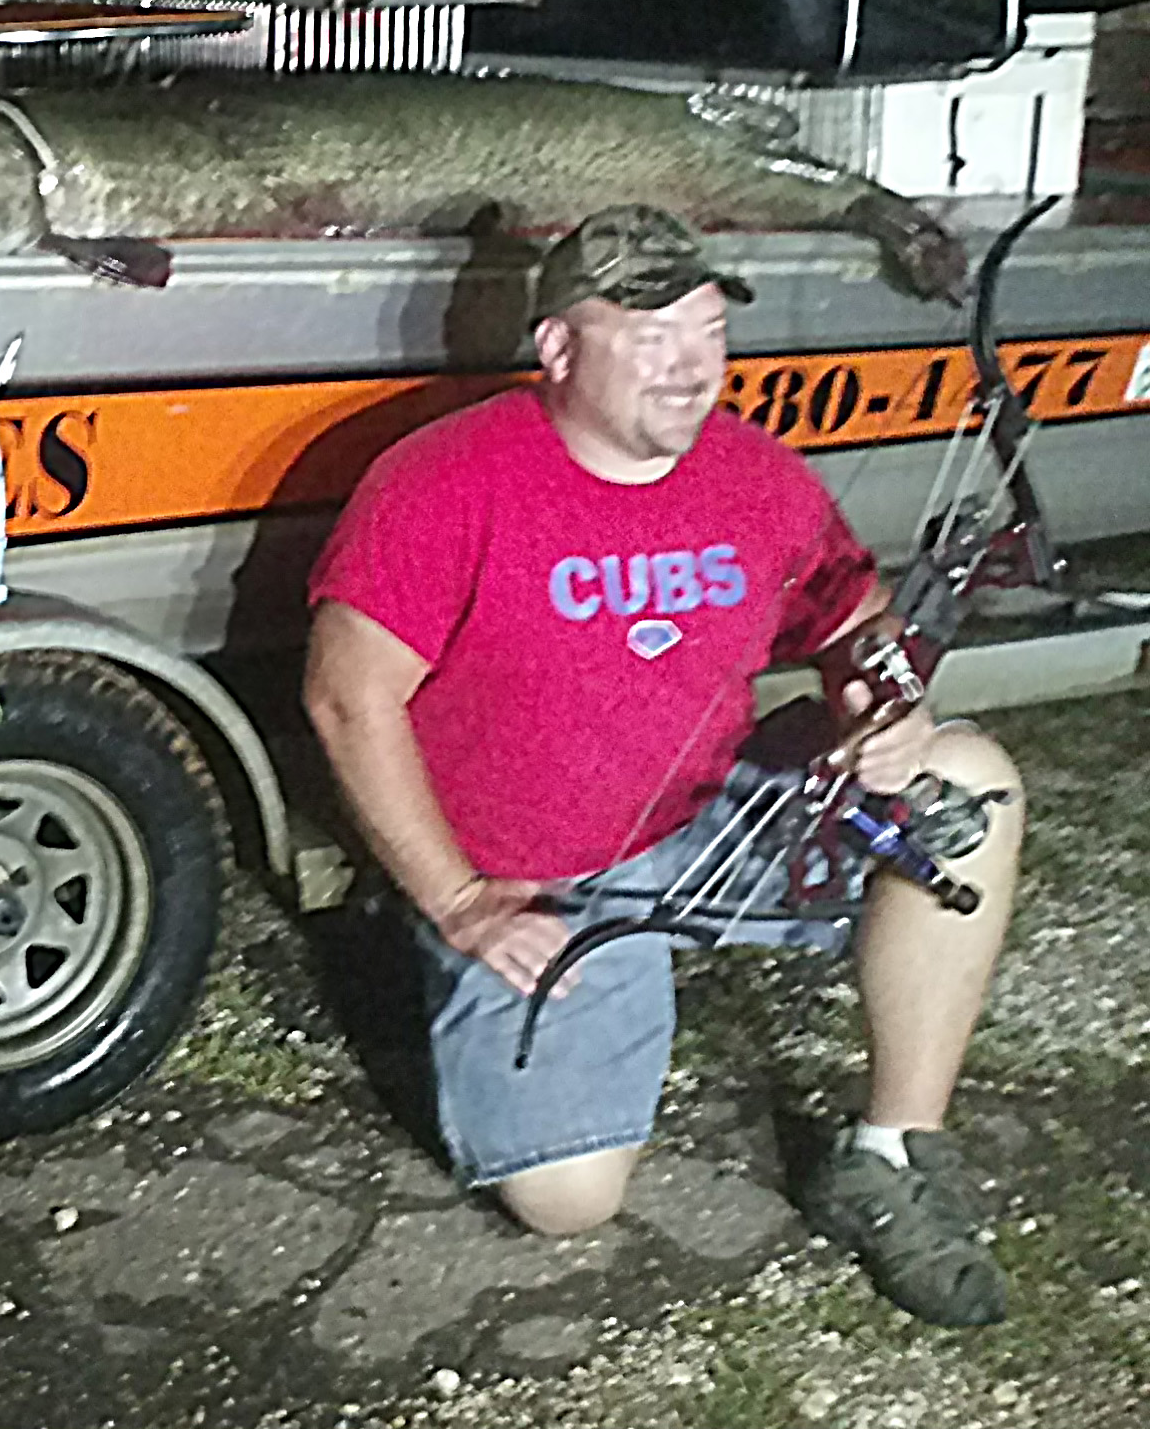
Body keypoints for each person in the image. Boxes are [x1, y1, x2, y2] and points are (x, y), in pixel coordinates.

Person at [302, 203, 1024, 1327]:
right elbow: (347, 699)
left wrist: (884, 705)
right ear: (558, 350)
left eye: (708, 333)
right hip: (534, 882)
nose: (691, 368)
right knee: (567, 1202)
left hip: (709, 819)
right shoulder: (445, 481)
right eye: (651, 336)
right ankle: (452, 972)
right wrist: (457, 902)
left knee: (969, 784)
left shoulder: (754, 475)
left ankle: (885, 1153)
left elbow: (858, 618)